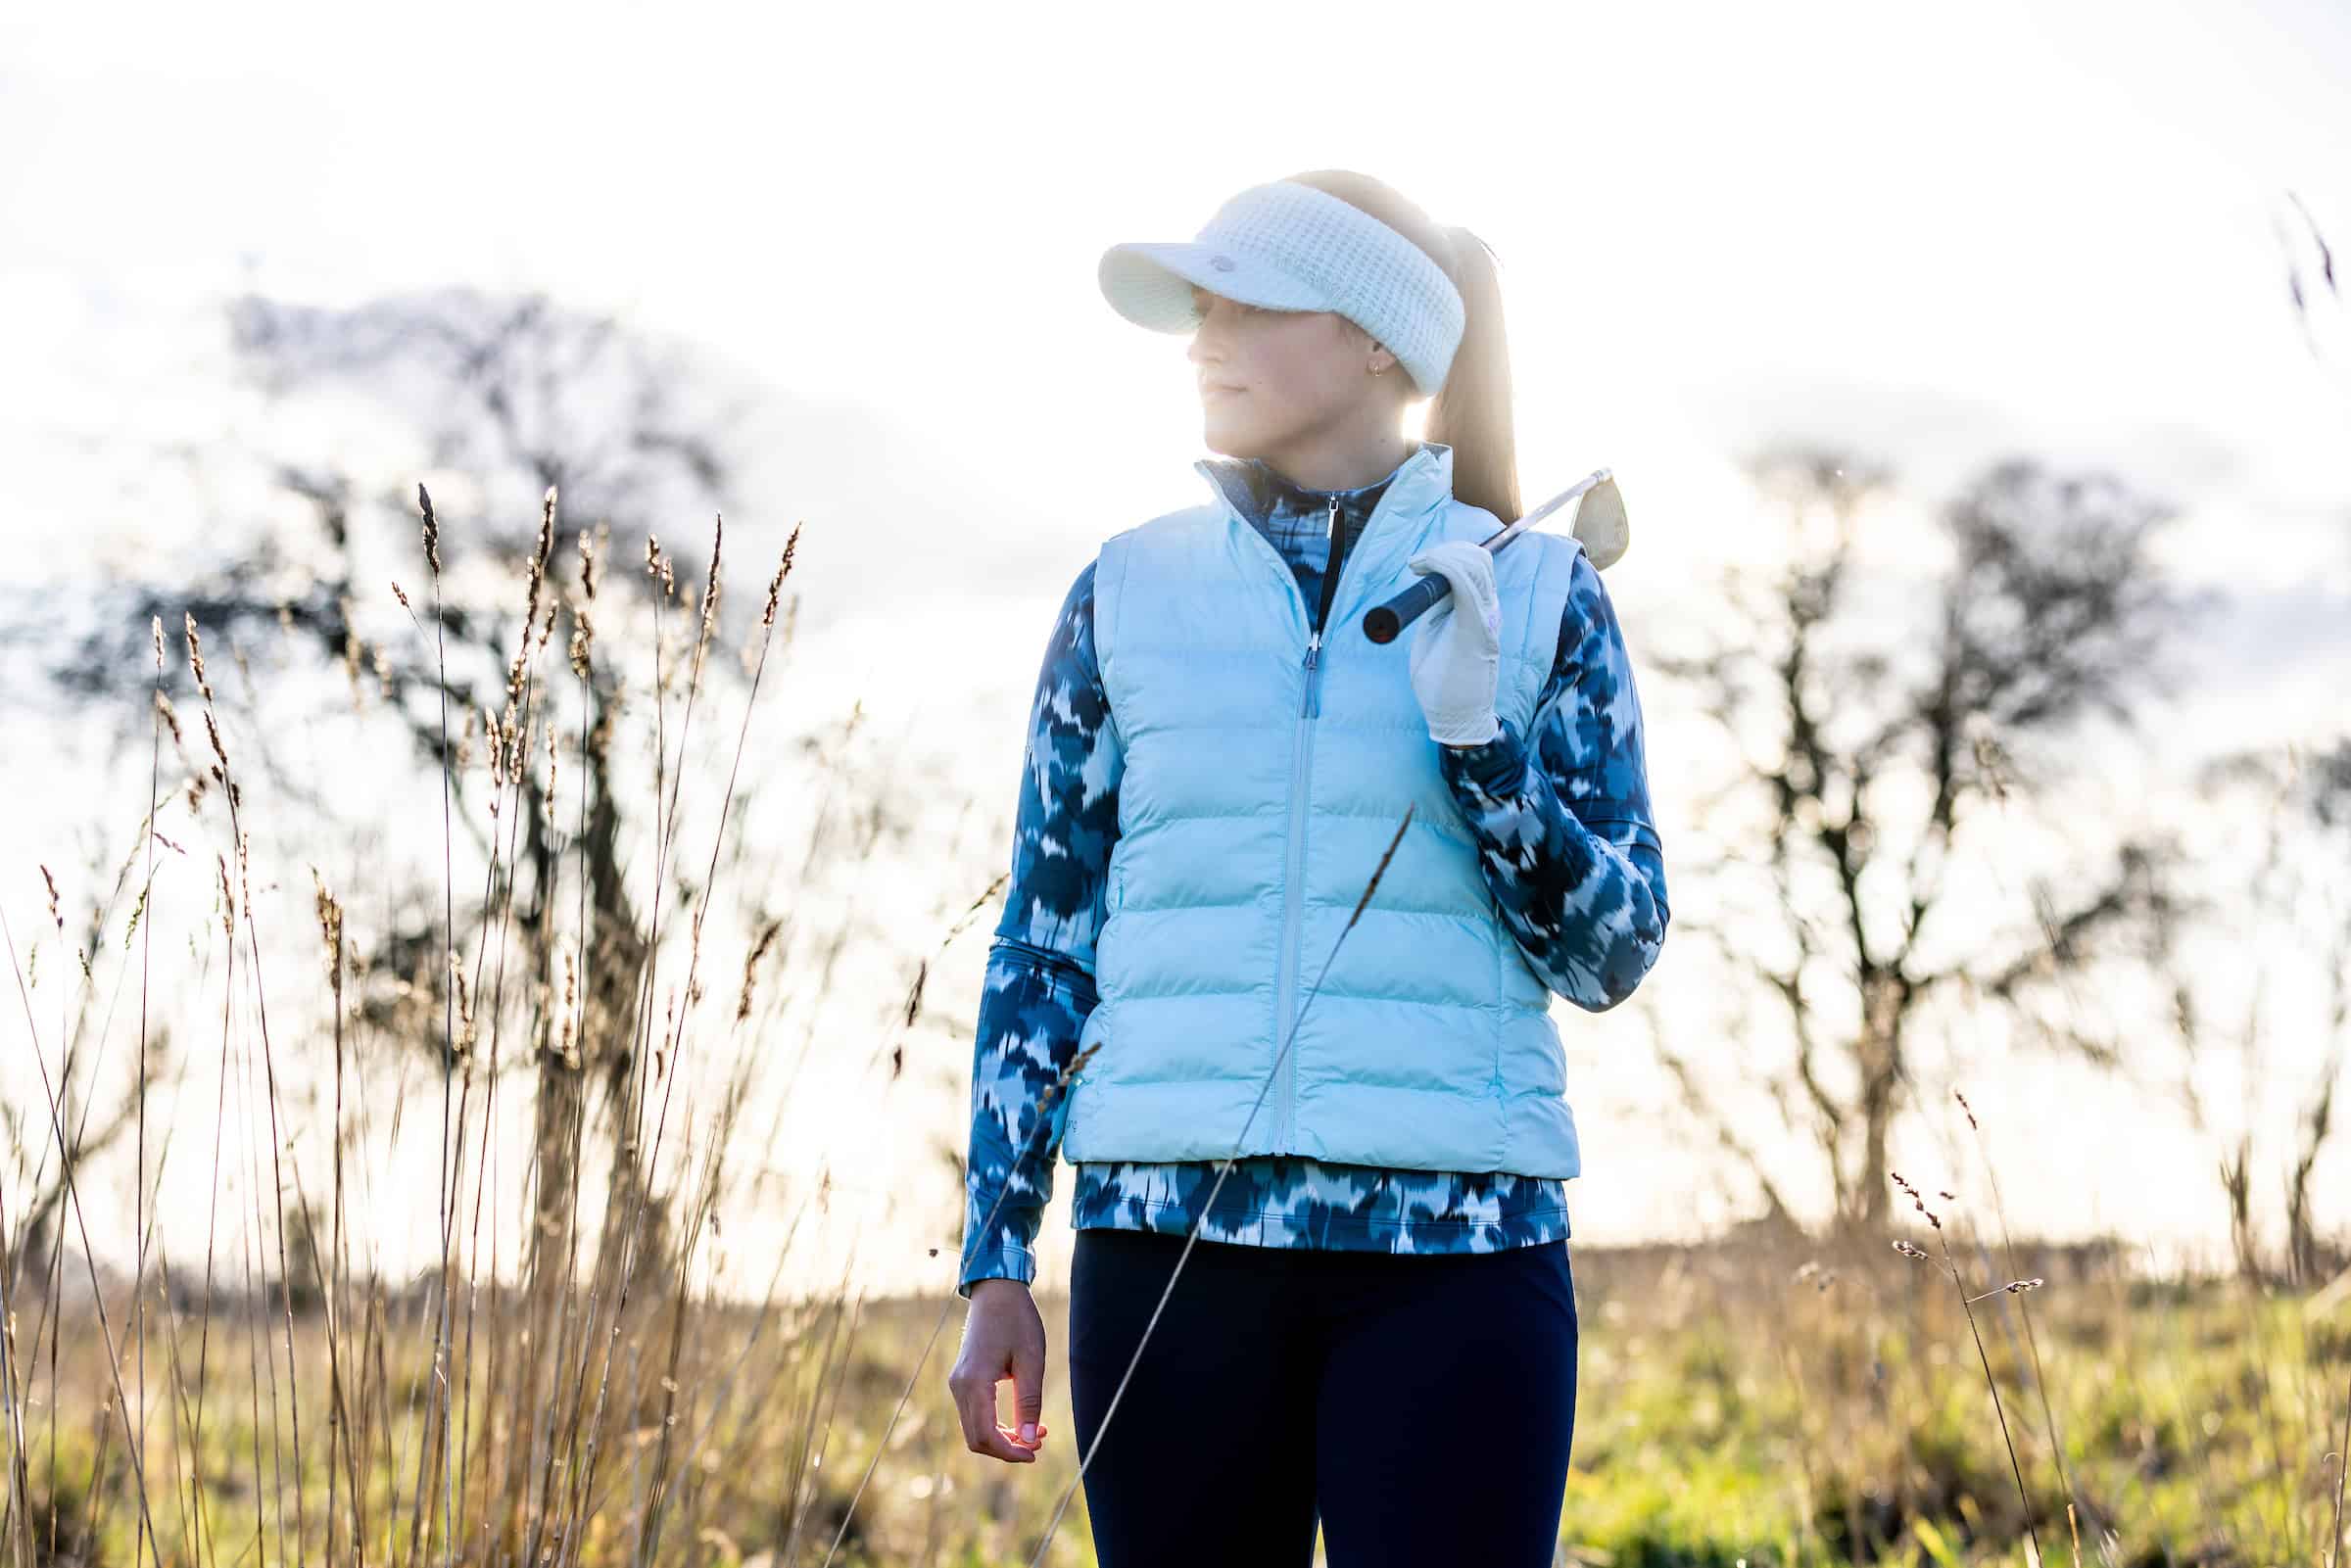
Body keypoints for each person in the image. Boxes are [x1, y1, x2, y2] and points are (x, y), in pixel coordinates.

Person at [945, 169, 1670, 1567]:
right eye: (1197, 311)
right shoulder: (1124, 593)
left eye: (1246, 306)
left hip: (1460, 1257)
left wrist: (1483, 752)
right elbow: (1045, 943)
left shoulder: (1538, 594)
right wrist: (996, 1259)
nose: (1204, 341)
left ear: (1381, 340)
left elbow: (1613, 951)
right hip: (1167, 1255)